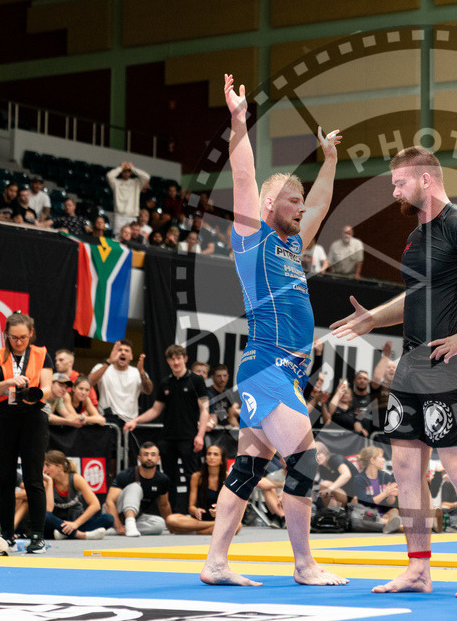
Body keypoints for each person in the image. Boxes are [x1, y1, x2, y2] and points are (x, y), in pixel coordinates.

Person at [331, 145, 457, 598]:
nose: (394, 190)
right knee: (407, 469)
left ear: (425, 180)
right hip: (412, 364)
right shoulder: (417, 235)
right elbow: (417, 297)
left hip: (450, 365)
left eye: (399, 181)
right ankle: (418, 569)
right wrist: (375, 317)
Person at [199, 74, 347, 587]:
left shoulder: (290, 247)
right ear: (267, 207)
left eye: (301, 198)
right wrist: (238, 122)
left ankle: (216, 563)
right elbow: (243, 179)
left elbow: (323, 205)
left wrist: (328, 160)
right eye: (292, 199)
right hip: (266, 369)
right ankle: (304, 564)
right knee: (304, 461)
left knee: (246, 469)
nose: (301, 205)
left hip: (285, 371)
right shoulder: (253, 239)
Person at [0, 311, 53, 553]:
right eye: (14, 337)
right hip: (3, 417)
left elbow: (48, 387)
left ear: (31, 334)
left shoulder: (41, 354)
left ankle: (37, 536)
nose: (19, 342)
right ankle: (6, 535)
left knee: (34, 478)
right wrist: (10, 382)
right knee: (4, 480)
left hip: (33, 416)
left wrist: (36, 393)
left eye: (23, 337)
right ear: (6, 335)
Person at [125, 344, 210, 513]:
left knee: (191, 477)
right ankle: (171, 516)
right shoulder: (165, 383)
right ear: (168, 361)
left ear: (185, 359)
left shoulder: (196, 380)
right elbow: (155, 410)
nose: (176, 362)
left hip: (190, 437)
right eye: (172, 359)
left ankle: (192, 512)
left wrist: (200, 435)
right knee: (168, 478)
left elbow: (205, 409)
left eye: (179, 358)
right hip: (168, 437)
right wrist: (135, 421)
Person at [42, 450, 112, 540]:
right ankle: (81, 535)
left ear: (59, 467)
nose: (44, 469)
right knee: (45, 516)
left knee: (108, 518)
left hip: (76, 522)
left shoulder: (75, 479)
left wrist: (76, 524)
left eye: (47, 465)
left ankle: (65, 534)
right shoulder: (47, 482)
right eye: (43, 465)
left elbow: (95, 505)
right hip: (56, 523)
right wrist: (50, 483)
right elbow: (49, 509)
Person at [106, 442, 172, 536]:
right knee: (135, 487)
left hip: (137, 516)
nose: (149, 458)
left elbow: (164, 505)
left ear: (158, 459)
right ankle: (127, 525)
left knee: (160, 524)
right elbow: (109, 503)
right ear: (139, 458)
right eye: (146, 454)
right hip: (117, 513)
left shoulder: (162, 479)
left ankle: (123, 529)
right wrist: (117, 525)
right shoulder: (126, 475)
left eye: (153, 455)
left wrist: (171, 525)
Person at [166, 444, 229, 535]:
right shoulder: (197, 477)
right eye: (209, 454)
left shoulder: (227, 477)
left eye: (215, 454)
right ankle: (213, 526)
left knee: (237, 526)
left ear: (222, 460)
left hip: (219, 517)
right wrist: (196, 510)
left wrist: (220, 509)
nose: (211, 457)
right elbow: (191, 507)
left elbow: (232, 506)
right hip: (199, 519)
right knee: (171, 519)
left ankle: (195, 531)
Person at [89, 339, 151, 425]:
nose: (123, 353)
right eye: (119, 350)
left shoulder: (137, 373)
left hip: (129, 423)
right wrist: (108, 362)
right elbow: (89, 383)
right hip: (106, 421)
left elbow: (148, 391)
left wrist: (142, 373)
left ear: (131, 356)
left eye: (126, 351)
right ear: (114, 353)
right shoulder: (101, 367)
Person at [350, 446, 402, 533]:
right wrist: (385, 493)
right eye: (381, 457)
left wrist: (391, 496)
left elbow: (391, 503)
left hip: (384, 514)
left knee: (395, 510)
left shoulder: (386, 476)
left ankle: (388, 525)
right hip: (368, 515)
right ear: (372, 461)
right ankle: (392, 526)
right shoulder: (359, 479)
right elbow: (365, 503)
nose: (384, 460)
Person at [107, 161, 151, 233]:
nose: (126, 173)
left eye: (128, 171)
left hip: (132, 216)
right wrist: (120, 168)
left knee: (131, 238)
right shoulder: (116, 183)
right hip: (119, 215)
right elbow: (109, 176)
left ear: (131, 173)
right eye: (124, 171)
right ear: (121, 172)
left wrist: (133, 168)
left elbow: (146, 177)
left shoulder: (136, 183)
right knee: (117, 236)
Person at [313, 441, 356, 511]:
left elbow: (347, 475)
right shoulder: (321, 468)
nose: (317, 457)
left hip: (355, 495)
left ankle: (336, 512)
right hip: (342, 496)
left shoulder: (335, 458)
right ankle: (335, 513)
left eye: (318, 454)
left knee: (325, 485)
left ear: (324, 452)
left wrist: (330, 489)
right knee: (320, 491)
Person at [207, 364, 240, 429]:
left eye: (225, 376)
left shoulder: (228, 393)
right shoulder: (208, 393)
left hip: (226, 428)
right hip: (212, 428)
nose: (222, 379)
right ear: (212, 377)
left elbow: (231, 417)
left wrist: (237, 430)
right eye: (219, 376)